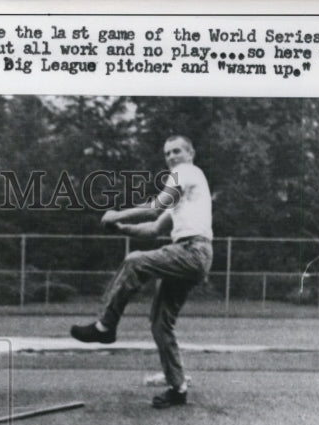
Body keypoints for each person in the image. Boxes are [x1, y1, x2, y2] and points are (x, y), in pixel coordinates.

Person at [71, 135, 213, 408]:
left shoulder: (187, 172)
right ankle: (178, 388)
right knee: (161, 323)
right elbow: (153, 229)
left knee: (134, 261)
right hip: (189, 255)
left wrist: (117, 215)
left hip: (193, 251)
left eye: (177, 151)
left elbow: (156, 205)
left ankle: (105, 326)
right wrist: (122, 229)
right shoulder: (186, 194)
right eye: (167, 153)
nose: (171, 157)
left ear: (191, 153)